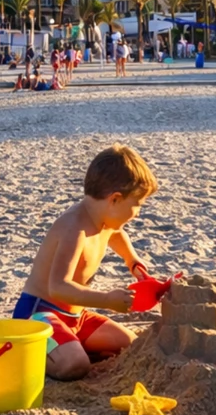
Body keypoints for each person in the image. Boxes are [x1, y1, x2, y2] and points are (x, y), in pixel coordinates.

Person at [14, 145, 159, 380]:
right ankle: (27, 350)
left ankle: (67, 345)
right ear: (115, 199)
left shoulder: (103, 220)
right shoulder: (75, 228)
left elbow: (116, 234)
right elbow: (58, 287)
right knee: (75, 365)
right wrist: (106, 300)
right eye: (138, 204)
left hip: (76, 317)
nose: (138, 213)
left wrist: (132, 260)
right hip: (39, 316)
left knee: (131, 345)